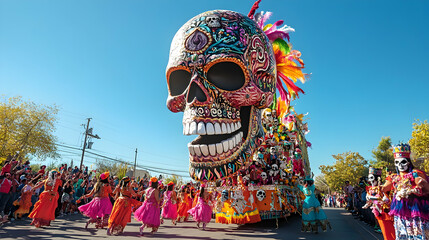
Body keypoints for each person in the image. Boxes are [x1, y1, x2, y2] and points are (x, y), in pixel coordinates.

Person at [382, 143, 429, 240]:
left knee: (417, 235)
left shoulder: (416, 173)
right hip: (400, 212)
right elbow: (384, 188)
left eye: (403, 162)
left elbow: (426, 189)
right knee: (402, 234)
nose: (400, 165)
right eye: (397, 162)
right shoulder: (394, 177)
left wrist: (413, 190)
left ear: (408, 162)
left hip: (415, 211)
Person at [362, 167, 395, 240]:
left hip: (385, 212)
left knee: (390, 230)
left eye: (372, 177)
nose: (370, 180)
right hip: (377, 211)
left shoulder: (383, 187)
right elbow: (369, 200)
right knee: (384, 230)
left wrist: (382, 199)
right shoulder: (370, 188)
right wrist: (367, 204)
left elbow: (387, 198)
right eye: (369, 178)